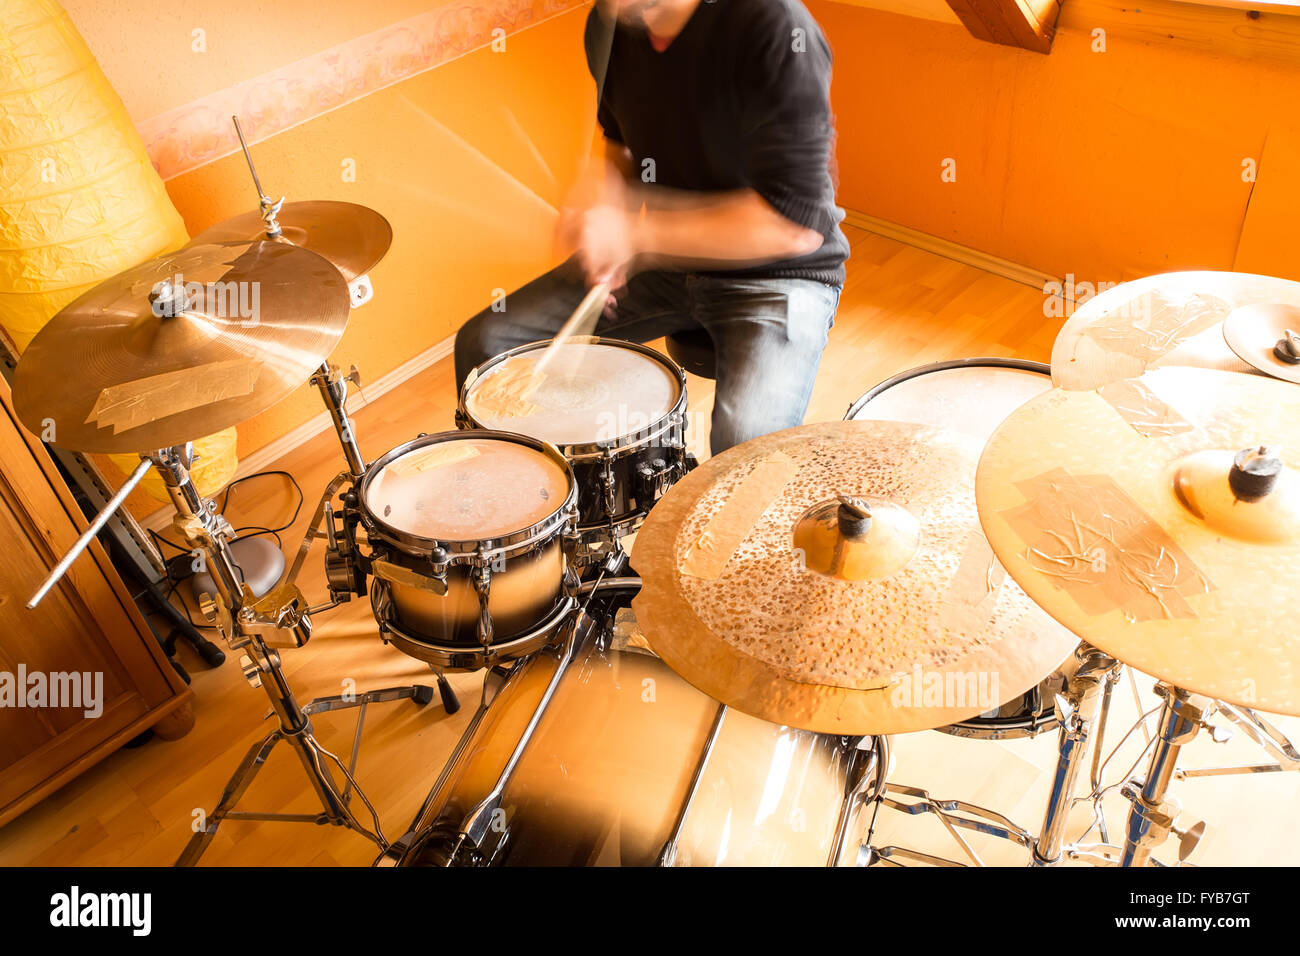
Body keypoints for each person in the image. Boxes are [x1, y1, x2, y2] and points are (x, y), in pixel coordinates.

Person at [454, 0, 848, 455]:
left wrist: (636, 235)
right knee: (487, 343)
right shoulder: (611, 25)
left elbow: (791, 226)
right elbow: (618, 145)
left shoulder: (773, 26)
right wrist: (601, 203)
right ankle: (529, 507)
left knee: (742, 449)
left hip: (780, 277)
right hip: (666, 262)